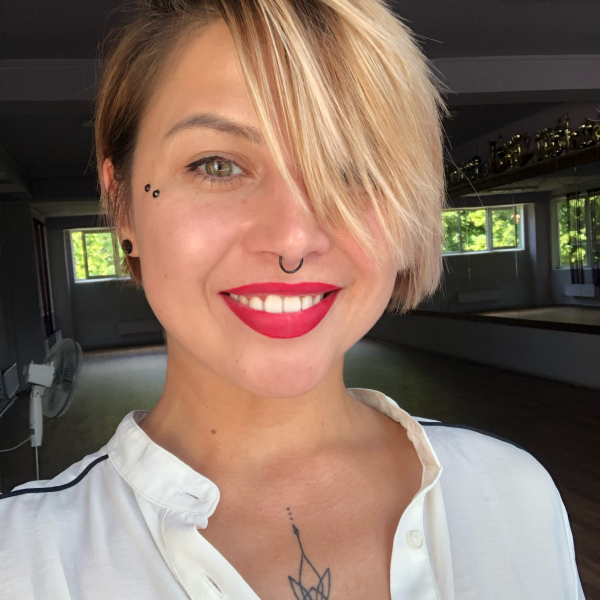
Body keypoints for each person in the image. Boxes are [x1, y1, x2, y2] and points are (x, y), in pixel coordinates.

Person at [0, 0, 585, 598]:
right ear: (122, 203)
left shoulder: (516, 497)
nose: (293, 239)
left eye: (352, 169)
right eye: (217, 165)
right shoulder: (21, 562)